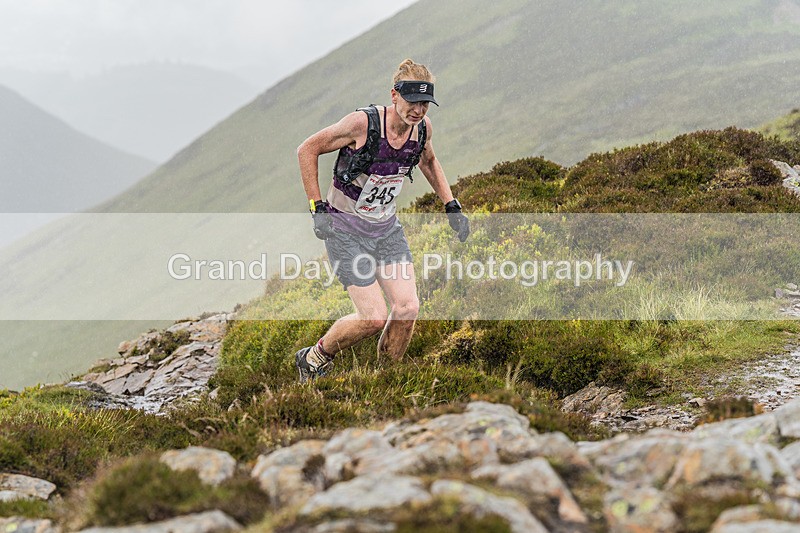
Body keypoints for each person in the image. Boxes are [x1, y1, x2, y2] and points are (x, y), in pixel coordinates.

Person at [294, 58, 469, 383]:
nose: (418, 111)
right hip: (345, 231)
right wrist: (316, 207)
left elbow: (429, 161)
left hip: (386, 230)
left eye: (425, 105)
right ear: (394, 95)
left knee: (407, 308)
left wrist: (451, 205)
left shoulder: (422, 130)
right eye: (412, 102)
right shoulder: (363, 124)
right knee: (373, 317)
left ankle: (386, 379)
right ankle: (314, 357)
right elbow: (307, 149)